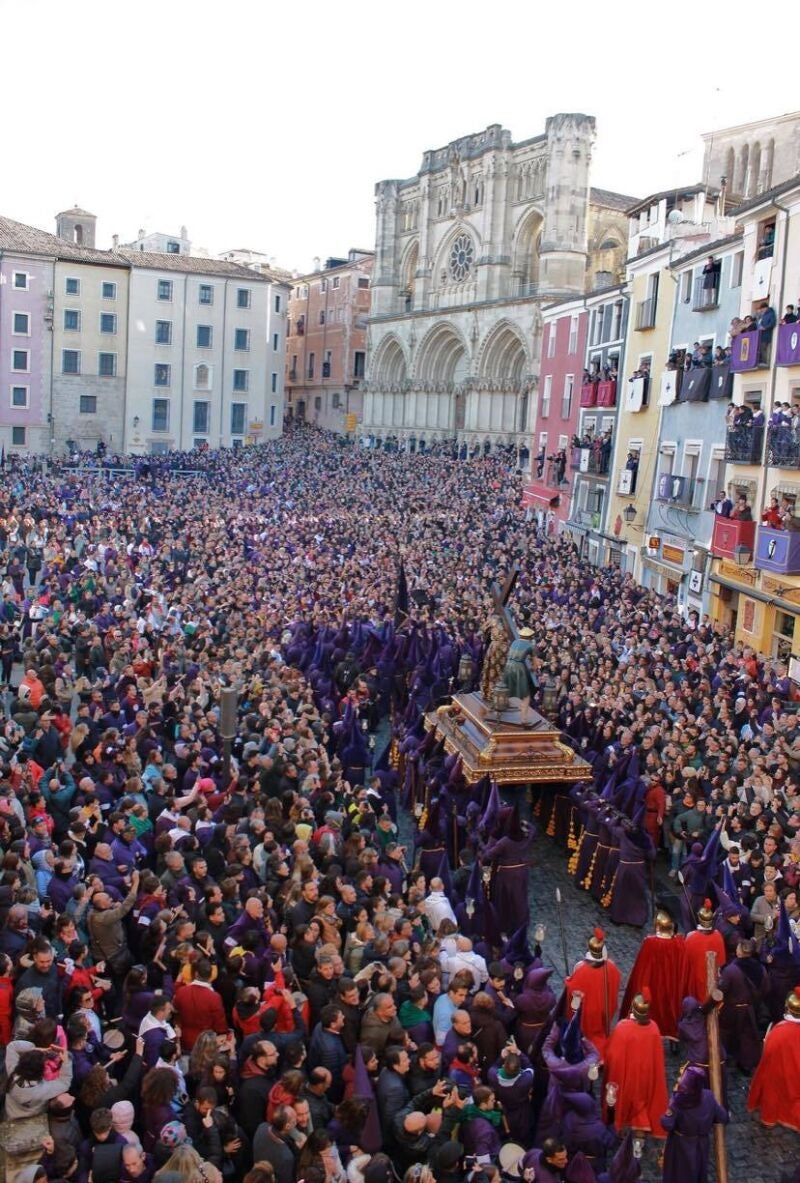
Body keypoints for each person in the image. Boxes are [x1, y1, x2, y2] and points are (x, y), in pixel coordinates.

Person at [603, 990, 668, 1137]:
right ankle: (639, 1138)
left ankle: (620, 1131)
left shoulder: (622, 1028)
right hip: (645, 1077)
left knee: (623, 1103)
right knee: (641, 1105)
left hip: (627, 1076)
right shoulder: (654, 1028)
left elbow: (612, 1055)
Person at [619, 912, 687, 1042]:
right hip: (671, 983)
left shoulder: (650, 943)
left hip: (653, 983)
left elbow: (642, 968)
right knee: (671, 1006)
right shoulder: (678, 944)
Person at [661, 1066, 728, 1183]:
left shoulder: (678, 1102)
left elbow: (667, 1124)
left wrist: (672, 1102)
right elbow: (723, 1117)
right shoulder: (709, 1096)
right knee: (698, 1173)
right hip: (701, 1143)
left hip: (680, 1146)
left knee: (678, 1175)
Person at [748, 986, 800, 1131]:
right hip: (795, 1074)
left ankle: (769, 1119)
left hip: (778, 1071)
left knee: (772, 1093)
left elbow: (768, 1054)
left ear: (788, 1009)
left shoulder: (779, 1031)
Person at [564, 929, 620, 1061]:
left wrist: (568, 981)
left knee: (585, 1034)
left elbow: (573, 990)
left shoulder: (581, 968)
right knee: (599, 1034)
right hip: (603, 1008)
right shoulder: (611, 967)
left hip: (588, 1010)